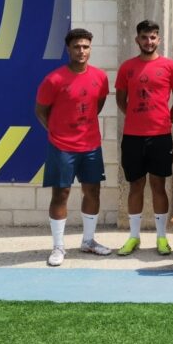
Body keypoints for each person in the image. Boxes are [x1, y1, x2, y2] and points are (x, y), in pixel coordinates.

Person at [35, 28, 110, 266]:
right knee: (61, 194)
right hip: (62, 147)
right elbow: (40, 111)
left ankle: (88, 241)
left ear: (90, 48)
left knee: (93, 191)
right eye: (77, 46)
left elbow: (97, 104)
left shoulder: (100, 77)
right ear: (68, 49)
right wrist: (57, 133)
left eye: (85, 46)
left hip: (90, 146)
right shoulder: (54, 79)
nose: (81, 51)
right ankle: (58, 247)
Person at [116, 20, 173, 257]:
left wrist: (165, 121)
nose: (149, 41)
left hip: (160, 136)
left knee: (158, 185)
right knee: (135, 185)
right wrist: (137, 118)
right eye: (144, 37)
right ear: (137, 39)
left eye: (153, 37)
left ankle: (161, 237)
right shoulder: (127, 67)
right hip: (133, 137)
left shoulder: (170, 66)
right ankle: (133, 237)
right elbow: (121, 100)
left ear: (159, 39)